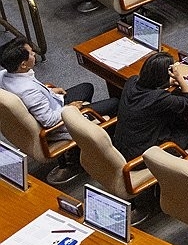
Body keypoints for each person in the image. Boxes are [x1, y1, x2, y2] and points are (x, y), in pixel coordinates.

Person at [0, 39, 118, 182]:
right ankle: (93, 151)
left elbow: (32, 98)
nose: (34, 53)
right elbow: (49, 121)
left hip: (50, 106)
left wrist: (49, 91)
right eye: (31, 53)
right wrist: (71, 108)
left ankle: (80, 147)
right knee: (114, 103)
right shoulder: (28, 92)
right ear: (23, 65)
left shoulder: (4, 75)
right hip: (57, 125)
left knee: (86, 88)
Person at [112, 52, 188, 160]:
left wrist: (167, 82)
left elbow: (151, 85)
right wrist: (179, 77)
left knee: (173, 119)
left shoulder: (132, 81)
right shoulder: (158, 98)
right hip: (142, 155)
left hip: (121, 146)